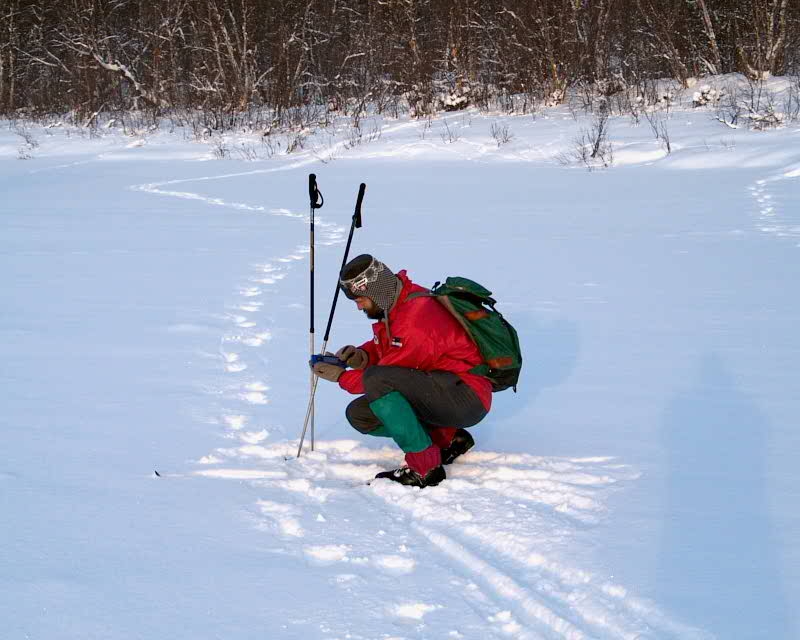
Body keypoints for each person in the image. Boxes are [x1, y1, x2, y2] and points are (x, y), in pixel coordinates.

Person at [311, 254, 492, 488]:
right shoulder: (400, 302)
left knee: (378, 382)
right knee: (361, 415)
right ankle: (448, 439)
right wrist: (363, 355)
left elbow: (384, 376)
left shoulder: (417, 319)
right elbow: (391, 347)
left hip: (465, 395)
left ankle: (425, 469)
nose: (358, 306)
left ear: (376, 292)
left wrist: (341, 377)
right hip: (442, 388)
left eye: (361, 299)